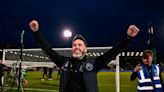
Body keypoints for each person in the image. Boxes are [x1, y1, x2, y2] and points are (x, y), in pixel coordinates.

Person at [29, 20, 140, 92]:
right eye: (74, 45)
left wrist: (128, 38)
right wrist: (36, 32)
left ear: (85, 49)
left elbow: (113, 52)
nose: (76, 47)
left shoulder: (93, 63)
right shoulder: (63, 62)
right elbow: (48, 50)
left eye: (80, 45)